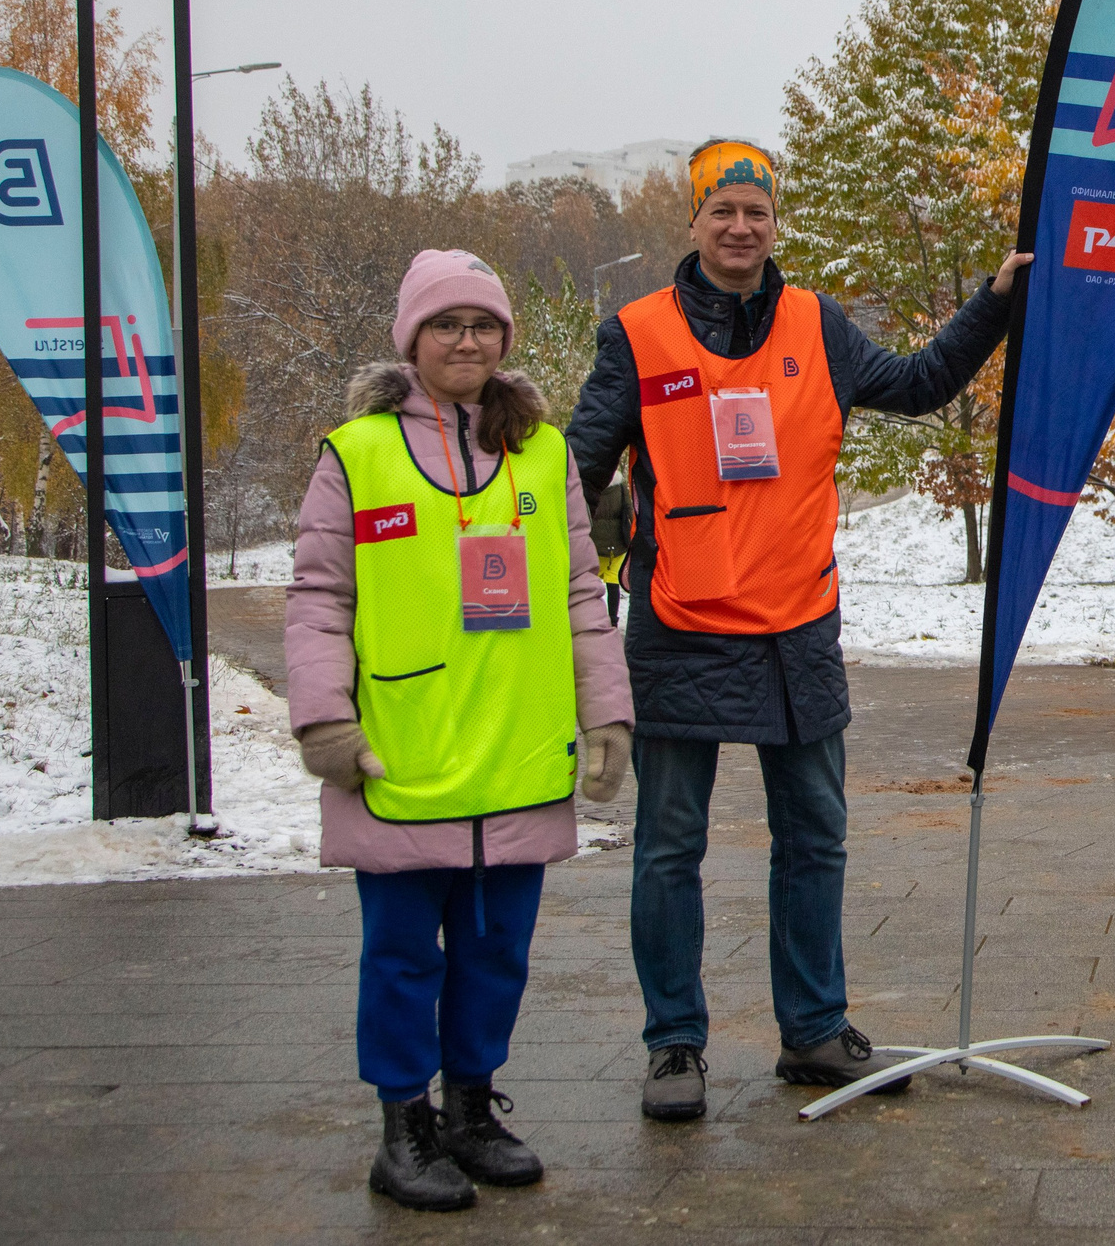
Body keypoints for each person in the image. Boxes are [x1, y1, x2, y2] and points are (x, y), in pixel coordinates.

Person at [565, 138, 1031, 1121]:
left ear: (776, 225)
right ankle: (674, 1048)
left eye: (756, 213)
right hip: (680, 625)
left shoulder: (817, 325)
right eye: (721, 211)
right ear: (692, 224)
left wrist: (993, 302)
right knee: (668, 846)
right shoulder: (637, 335)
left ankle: (814, 1031)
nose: (740, 227)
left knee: (815, 835)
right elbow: (574, 475)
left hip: (798, 624)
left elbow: (914, 385)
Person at [288, 249, 633, 1211]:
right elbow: (317, 597)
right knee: (402, 953)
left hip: (518, 750)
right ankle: (405, 1126)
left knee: (495, 950)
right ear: (412, 338)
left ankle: (472, 1109)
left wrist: (607, 710)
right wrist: (323, 718)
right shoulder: (355, 452)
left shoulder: (544, 451)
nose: (468, 339)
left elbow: (578, 592)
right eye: (448, 324)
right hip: (403, 753)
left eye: (484, 324)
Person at [592, 475, 630, 625]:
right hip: (617, 545)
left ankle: (594, 617)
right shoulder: (620, 487)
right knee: (613, 583)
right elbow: (628, 510)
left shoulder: (592, 486)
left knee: (591, 583)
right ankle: (613, 620)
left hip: (595, 544)